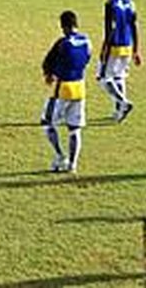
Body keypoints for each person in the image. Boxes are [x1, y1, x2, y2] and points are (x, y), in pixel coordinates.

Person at [40, 10, 91, 174]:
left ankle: (60, 156)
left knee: (47, 123)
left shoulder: (63, 43)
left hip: (62, 88)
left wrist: (49, 74)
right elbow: (87, 59)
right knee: (74, 129)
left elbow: (49, 61)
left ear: (63, 26)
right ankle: (72, 164)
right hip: (80, 88)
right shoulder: (86, 41)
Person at [98, 0, 140, 123]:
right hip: (127, 46)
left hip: (114, 46)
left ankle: (123, 102)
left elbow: (109, 29)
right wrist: (136, 50)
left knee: (103, 78)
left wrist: (104, 48)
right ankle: (118, 111)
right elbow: (135, 25)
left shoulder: (110, 4)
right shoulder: (130, 3)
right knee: (119, 77)